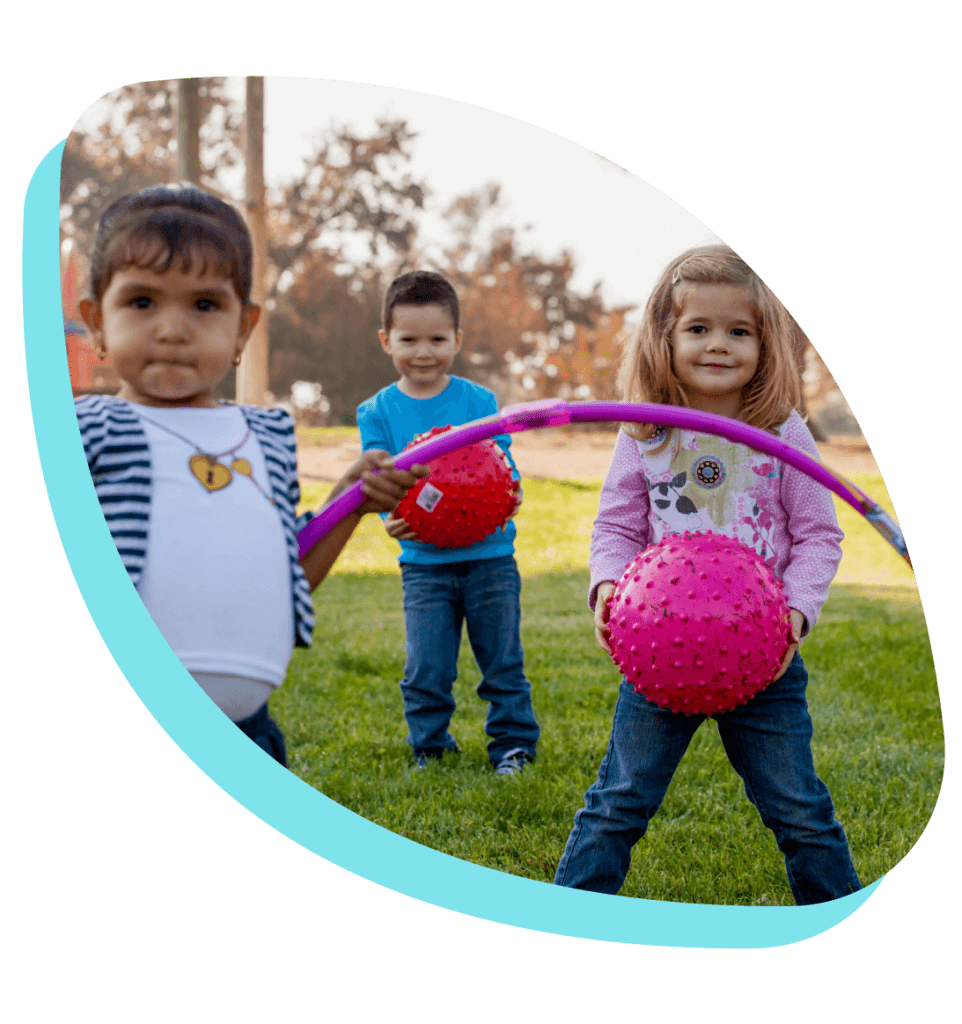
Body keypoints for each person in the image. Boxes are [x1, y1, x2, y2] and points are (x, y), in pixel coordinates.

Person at [74, 183, 427, 767]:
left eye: (204, 305)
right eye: (141, 302)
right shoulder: (88, 428)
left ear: (243, 329)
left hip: (250, 741)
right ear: (97, 323)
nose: (172, 329)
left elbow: (283, 581)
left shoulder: (265, 436)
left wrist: (350, 500)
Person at [553, 245, 863, 904]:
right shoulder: (644, 434)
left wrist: (796, 616)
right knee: (617, 803)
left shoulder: (781, 432)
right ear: (664, 338)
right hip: (660, 657)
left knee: (800, 812)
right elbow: (614, 528)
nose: (716, 345)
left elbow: (818, 535)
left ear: (765, 343)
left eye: (738, 331)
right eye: (698, 328)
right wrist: (607, 584)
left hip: (764, 662)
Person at [356, 270, 540, 774]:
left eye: (437, 339)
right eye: (408, 339)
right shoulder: (376, 412)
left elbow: (500, 463)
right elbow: (378, 482)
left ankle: (513, 746)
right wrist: (389, 518)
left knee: (502, 662)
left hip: (490, 558)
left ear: (456, 340)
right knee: (426, 667)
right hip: (424, 563)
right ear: (385, 340)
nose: (423, 351)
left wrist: (513, 490)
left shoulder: (477, 402)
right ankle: (430, 748)